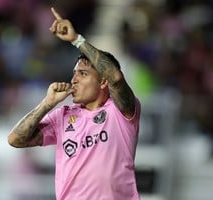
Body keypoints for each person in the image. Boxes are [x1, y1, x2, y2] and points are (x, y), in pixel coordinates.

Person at [8, 7, 141, 200]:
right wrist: (47, 103)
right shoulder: (63, 116)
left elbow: (116, 77)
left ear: (103, 82)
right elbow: (15, 140)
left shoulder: (121, 112)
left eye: (83, 73)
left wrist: (76, 39)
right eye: (74, 74)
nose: (74, 79)